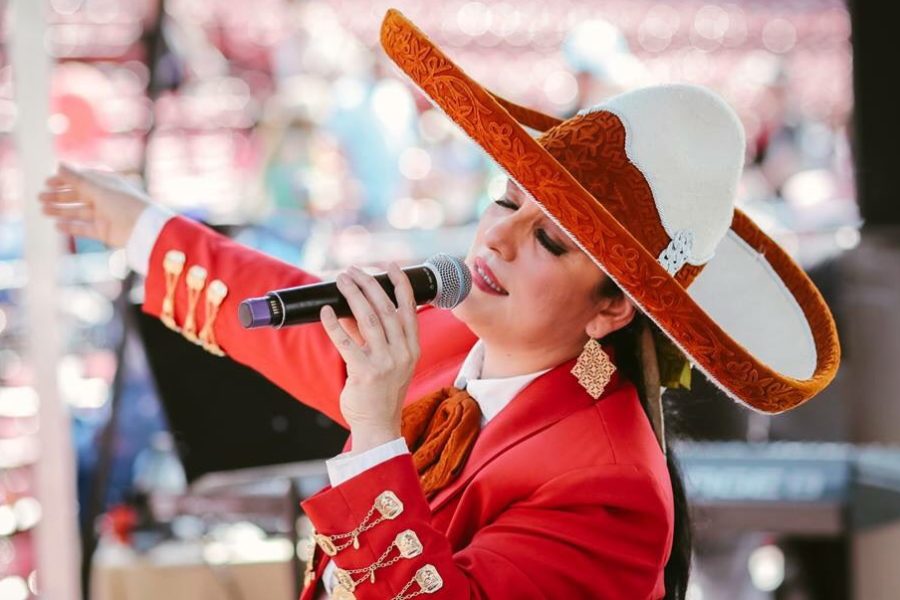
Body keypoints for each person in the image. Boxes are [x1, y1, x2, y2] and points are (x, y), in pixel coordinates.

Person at [39, 10, 840, 600]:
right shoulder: (452, 338)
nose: (498, 240)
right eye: (506, 201)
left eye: (551, 241)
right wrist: (137, 225)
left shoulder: (610, 484)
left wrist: (378, 432)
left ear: (611, 312)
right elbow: (286, 313)